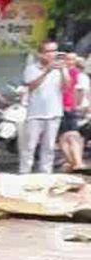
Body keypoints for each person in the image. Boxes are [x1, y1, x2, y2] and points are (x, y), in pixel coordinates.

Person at [20, 40, 72, 174]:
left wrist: (63, 70)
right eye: (49, 51)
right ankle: (24, 173)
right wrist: (46, 71)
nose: (53, 54)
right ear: (41, 54)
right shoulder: (31, 68)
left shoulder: (60, 68)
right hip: (35, 114)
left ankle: (45, 174)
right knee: (29, 146)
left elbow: (67, 86)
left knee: (48, 147)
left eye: (55, 51)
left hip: (54, 113)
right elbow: (31, 86)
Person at [59, 53, 89, 171]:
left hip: (71, 107)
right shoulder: (65, 73)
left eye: (71, 59)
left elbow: (79, 92)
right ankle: (74, 162)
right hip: (63, 107)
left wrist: (74, 106)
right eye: (67, 59)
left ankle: (75, 162)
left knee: (72, 135)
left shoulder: (77, 75)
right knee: (67, 136)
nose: (69, 62)